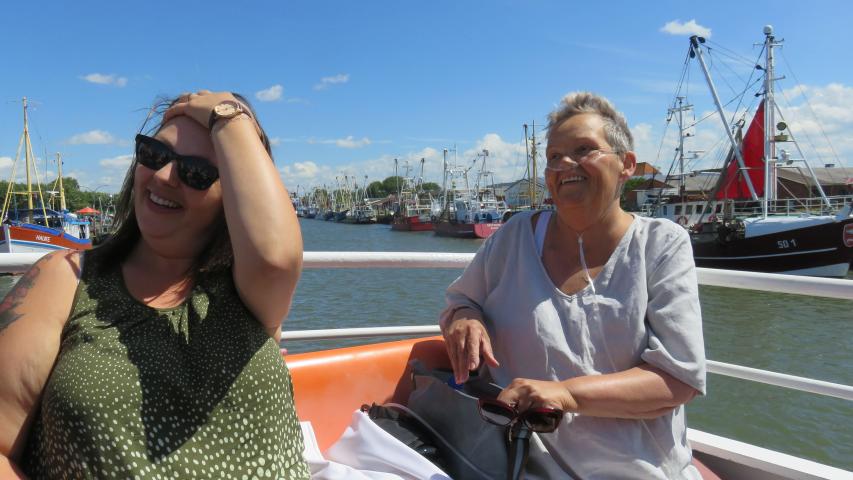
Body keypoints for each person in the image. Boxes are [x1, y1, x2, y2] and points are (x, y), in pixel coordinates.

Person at [0, 90, 310, 479]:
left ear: (232, 198)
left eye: (196, 173)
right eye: (154, 154)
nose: (163, 176)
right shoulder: (66, 279)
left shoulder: (250, 291)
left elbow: (275, 258)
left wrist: (228, 118)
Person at [441, 92, 707, 479]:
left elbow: (678, 379)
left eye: (584, 149)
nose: (565, 164)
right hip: (517, 463)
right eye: (554, 156)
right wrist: (466, 317)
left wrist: (565, 393)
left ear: (626, 164)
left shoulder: (661, 244)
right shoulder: (514, 236)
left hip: (638, 470)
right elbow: (460, 302)